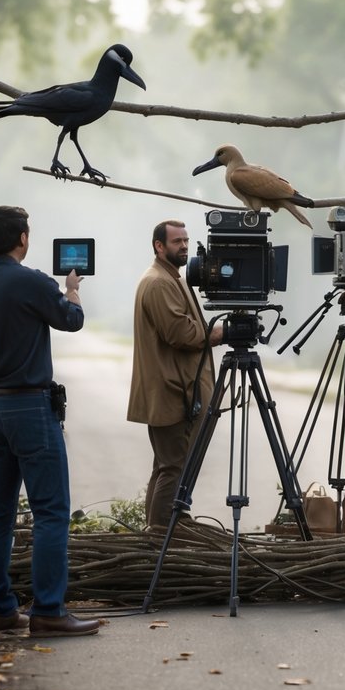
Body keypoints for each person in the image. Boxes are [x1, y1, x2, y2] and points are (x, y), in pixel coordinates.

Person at [0, 205, 99, 637]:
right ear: (22, 238)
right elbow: (71, 321)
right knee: (51, 512)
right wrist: (71, 289)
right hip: (28, 407)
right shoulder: (33, 281)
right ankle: (49, 611)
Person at [127, 219, 223, 529]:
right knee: (173, 467)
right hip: (173, 391)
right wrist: (223, 332)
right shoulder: (158, 282)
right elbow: (181, 334)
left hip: (179, 389)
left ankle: (172, 523)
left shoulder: (172, 277)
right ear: (159, 246)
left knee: (168, 466)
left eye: (185, 240)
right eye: (175, 241)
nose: (183, 246)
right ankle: (160, 535)